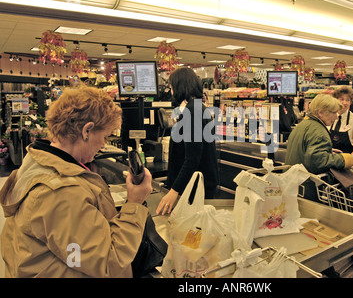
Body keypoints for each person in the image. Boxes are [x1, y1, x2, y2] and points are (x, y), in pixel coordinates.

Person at [0, 86, 153, 278]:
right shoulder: (62, 192)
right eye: (105, 136)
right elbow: (109, 261)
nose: (104, 144)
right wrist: (135, 204)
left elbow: (75, 251)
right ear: (86, 130)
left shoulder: (36, 162)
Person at [156, 67, 219, 215]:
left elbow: (192, 157)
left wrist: (174, 190)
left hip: (194, 188)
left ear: (179, 87)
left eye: (171, 87)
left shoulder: (192, 112)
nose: (171, 92)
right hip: (197, 185)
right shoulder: (197, 108)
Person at [285, 94, 353, 201]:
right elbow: (316, 160)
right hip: (308, 188)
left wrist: (327, 151)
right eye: (334, 113)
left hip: (294, 184)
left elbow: (305, 150)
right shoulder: (319, 131)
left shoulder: (304, 125)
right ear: (320, 112)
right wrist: (348, 159)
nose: (336, 117)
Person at [330, 86, 353, 173]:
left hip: (347, 166)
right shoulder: (329, 116)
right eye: (342, 99)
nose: (345, 103)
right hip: (330, 162)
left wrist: (350, 159)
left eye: (348, 100)